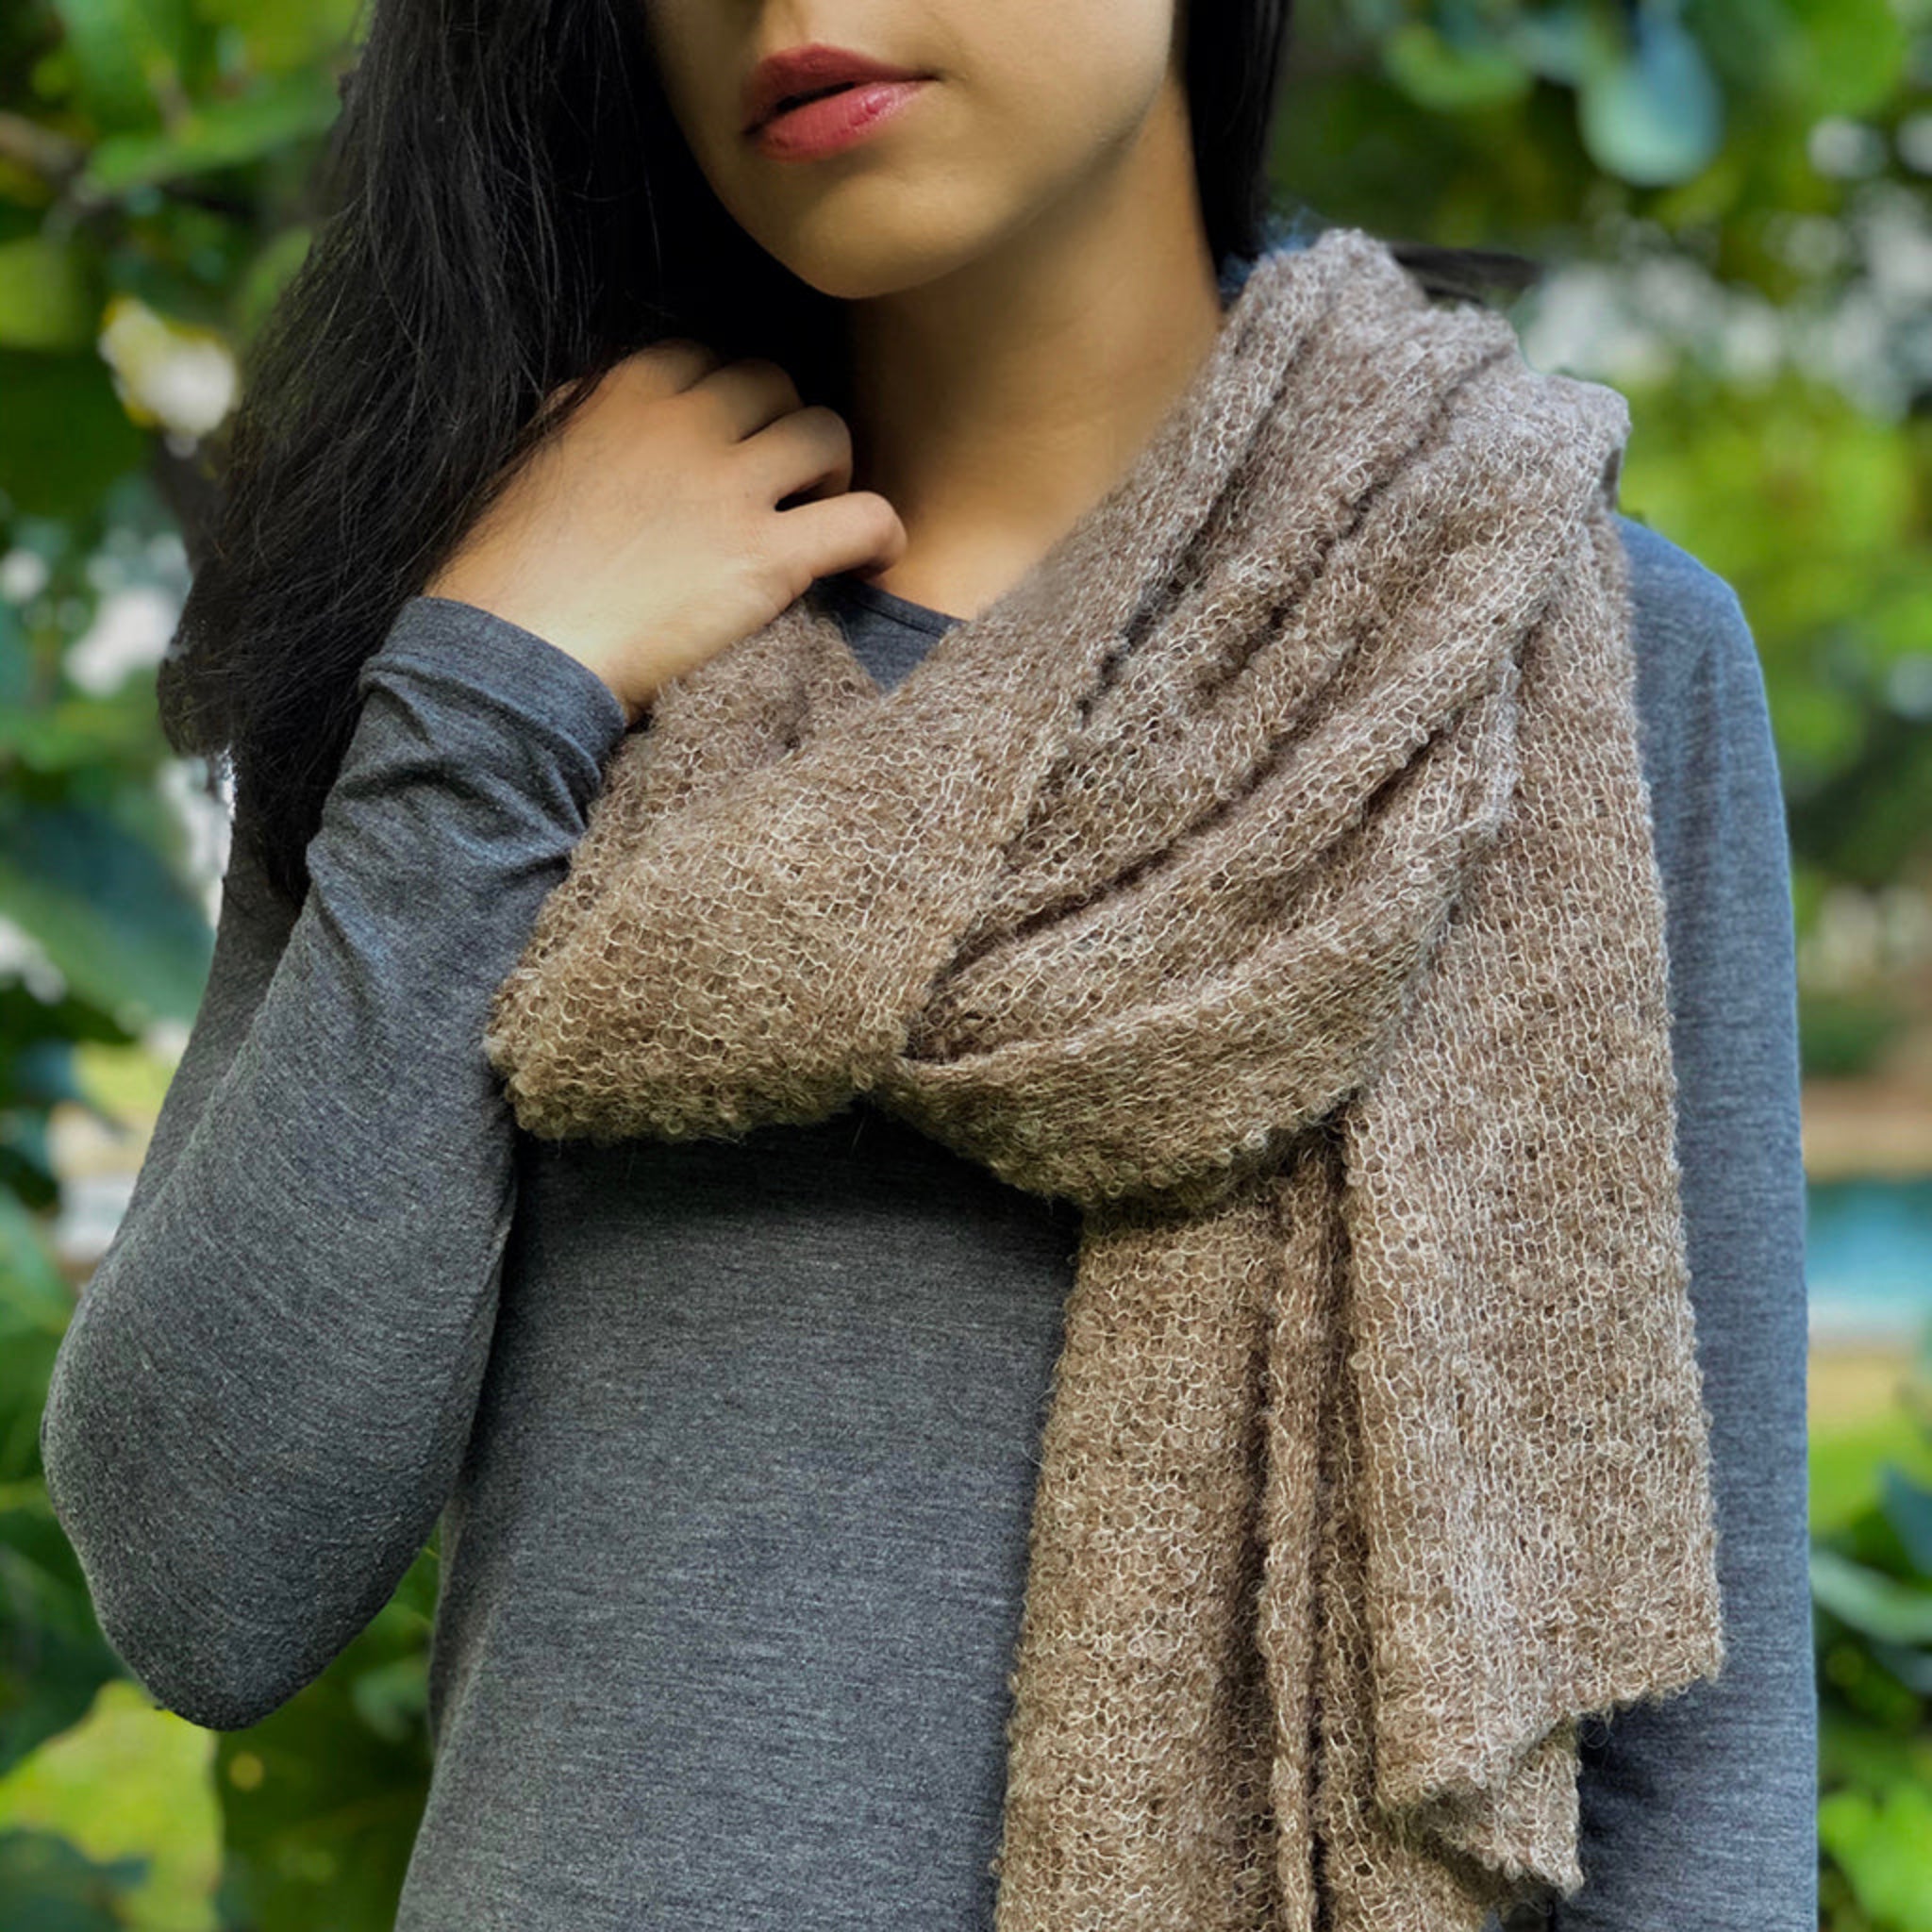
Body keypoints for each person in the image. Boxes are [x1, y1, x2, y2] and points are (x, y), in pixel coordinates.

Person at [39, 1, 1815, 1927]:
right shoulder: (490, 640)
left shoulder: (1543, 640)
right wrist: (489, 702)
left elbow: (1688, 1733)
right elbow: (198, 1576)